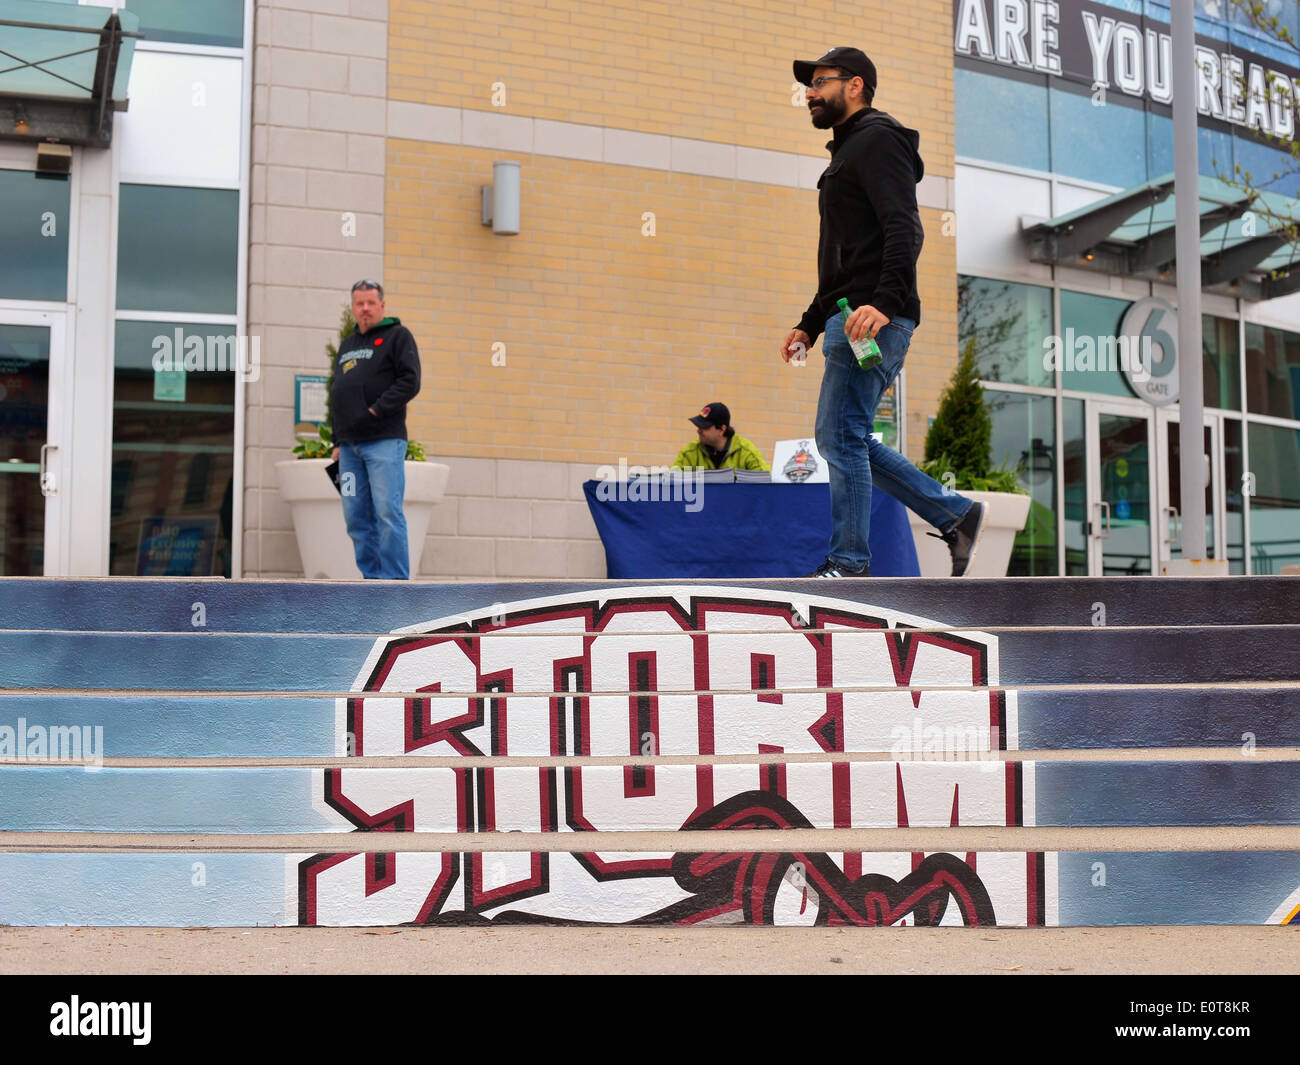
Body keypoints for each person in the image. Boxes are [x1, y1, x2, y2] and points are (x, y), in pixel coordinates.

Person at [780, 47, 985, 578]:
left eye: (820, 82)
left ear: (855, 86)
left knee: (840, 436)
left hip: (870, 316)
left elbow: (904, 228)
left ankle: (849, 562)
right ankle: (955, 514)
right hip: (850, 310)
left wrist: (885, 302)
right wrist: (808, 320)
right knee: (846, 435)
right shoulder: (848, 152)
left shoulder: (877, 140)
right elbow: (845, 257)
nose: (809, 92)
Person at [330, 279, 421, 579]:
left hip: (384, 442)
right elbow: (338, 393)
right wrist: (337, 440)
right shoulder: (348, 345)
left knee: (386, 512)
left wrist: (375, 409)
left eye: (371, 303)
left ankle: (394, 584)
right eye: (359, 303)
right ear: (353, 308)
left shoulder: (398, 336)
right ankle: (371, 583)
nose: (365, 309)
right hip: (350, 449)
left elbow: (410, 381)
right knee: (355, 517)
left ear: (382, 305)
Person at [671, 402, 770, 471]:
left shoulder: (746, 451)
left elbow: (765, 481)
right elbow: (671, 481)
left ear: (722, 429)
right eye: (698, 426)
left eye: (705, 427)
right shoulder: (689, 452)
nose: (698, 430)